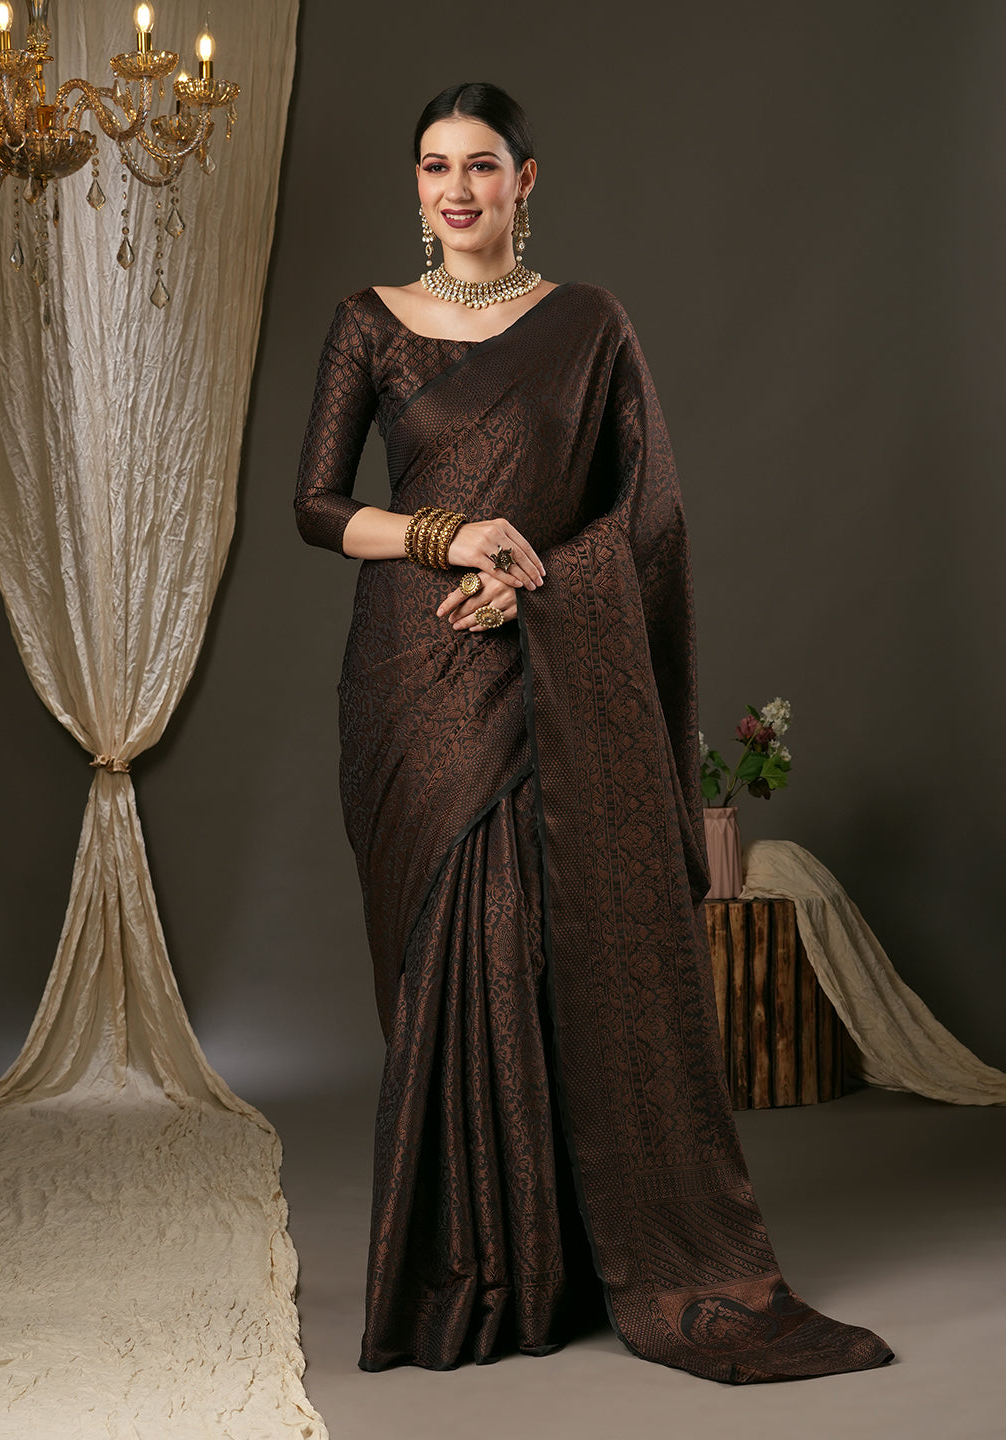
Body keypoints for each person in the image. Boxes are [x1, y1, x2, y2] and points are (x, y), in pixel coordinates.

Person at [294, 81, 892, 1383]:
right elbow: (317, 505)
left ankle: (556, 1261)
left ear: (526, 182)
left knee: (537, 945)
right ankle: (468, 1266)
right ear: (416, 187)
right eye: (435, 166)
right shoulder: (367, 323)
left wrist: (538, 584)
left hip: (547, 666)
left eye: (482, 165)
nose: (457, 189)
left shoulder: (589, 325)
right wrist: (451, 536)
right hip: (411, 673)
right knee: (442, 959)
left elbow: (648, 514)